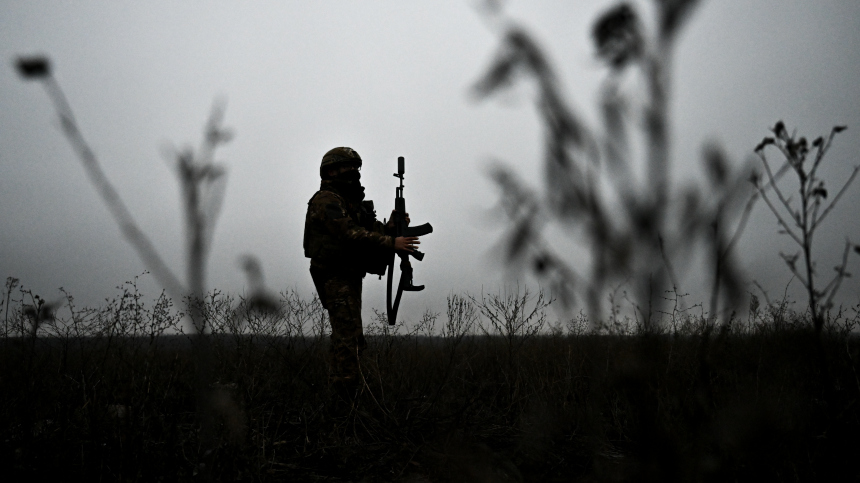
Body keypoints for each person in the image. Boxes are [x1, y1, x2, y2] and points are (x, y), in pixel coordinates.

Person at [303, 147, 419, 400]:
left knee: (351, 336)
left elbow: (364, 228)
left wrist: (388, 228)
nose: (354, 172)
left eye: (356, 168)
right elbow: (347, 233)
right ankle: (343, 399)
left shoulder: (346, 202)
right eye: (348, 167)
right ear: (332, 171)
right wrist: (392, 243)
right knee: (347, 337)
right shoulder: (326, 200)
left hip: (348, 273)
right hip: (334, 274)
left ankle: (347, 391)